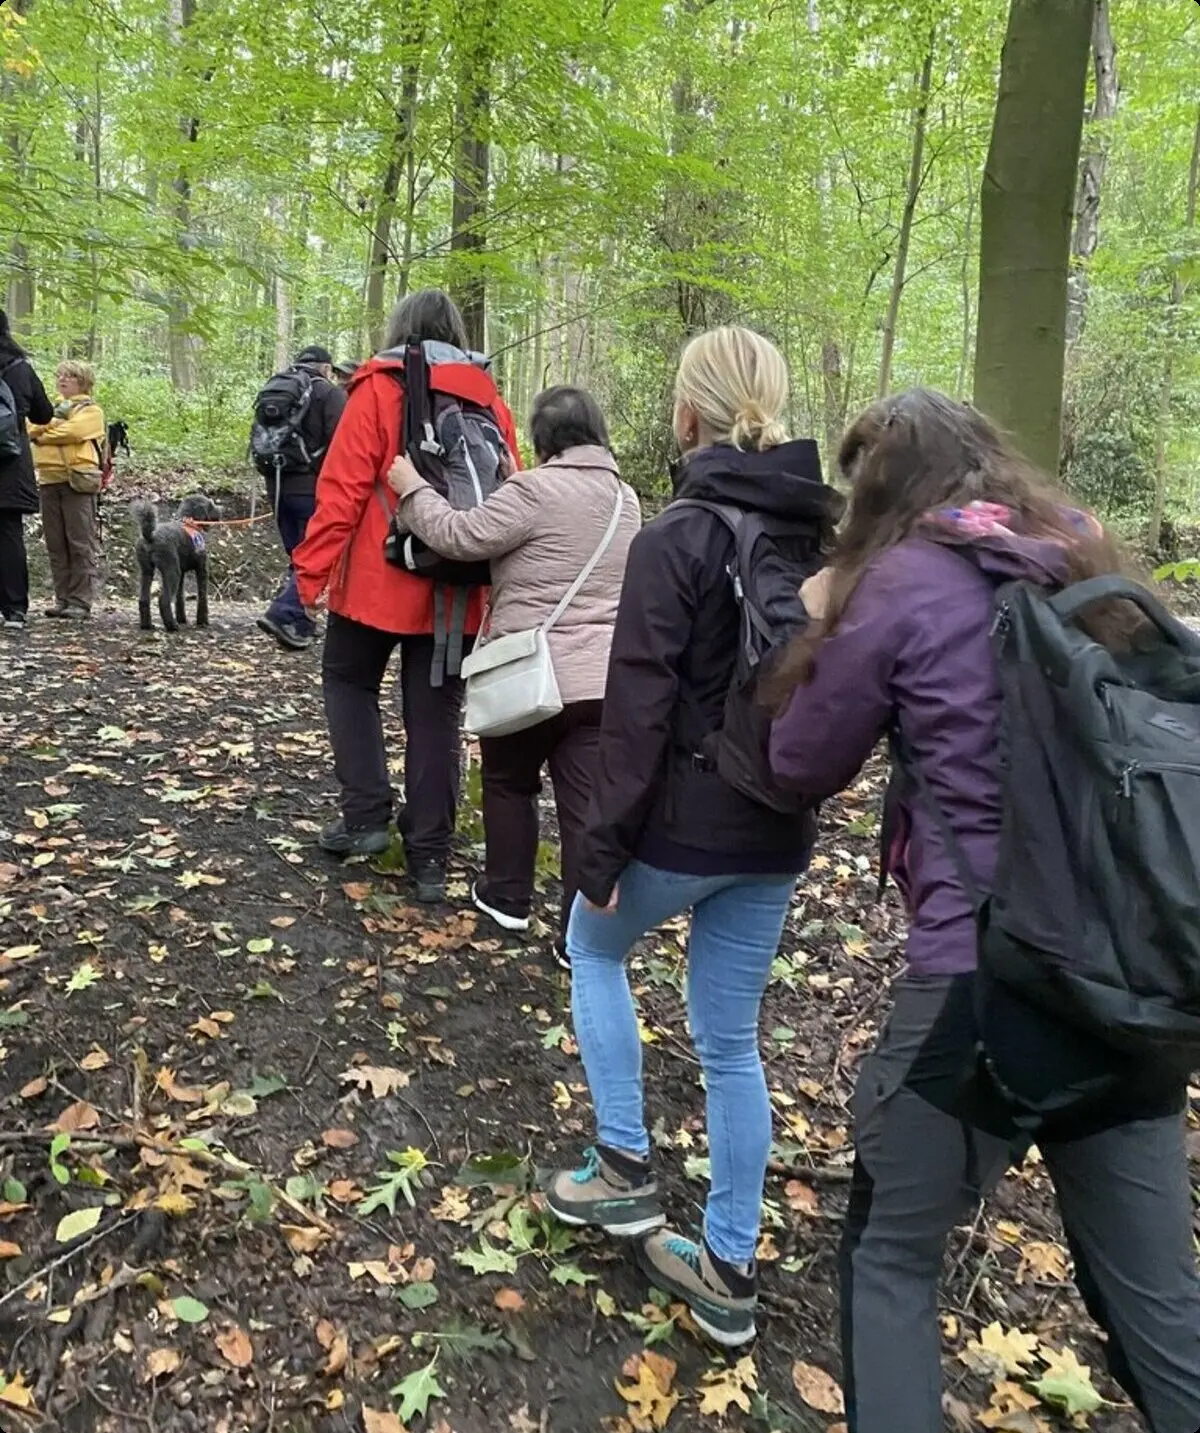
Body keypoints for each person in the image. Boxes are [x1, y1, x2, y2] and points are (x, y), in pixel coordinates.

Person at [767, 389, 1200, 1433]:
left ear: (880, 485)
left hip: (991, 984)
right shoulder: (1080, 547)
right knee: (1160, 1309)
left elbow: (797, 763)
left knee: (890, 1255)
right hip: (1137, 977)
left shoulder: (903, 581)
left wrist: (821, 617)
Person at [543, 327, 839, 1347]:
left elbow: (636, 715)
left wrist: (599, 852)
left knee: (591, 946)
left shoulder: (674, 538)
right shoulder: (823, 544)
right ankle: (727, 1265)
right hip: (776, 828)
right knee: (729, 1045)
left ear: (685, 416)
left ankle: (623, 1165)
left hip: (679, 825)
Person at [388, 385, 641, 964]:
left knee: (508, 781)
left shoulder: (532, 490)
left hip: (531, 671)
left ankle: (507, 896)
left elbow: (459, 534)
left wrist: (412, 491)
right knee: (582, 809)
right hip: (601, 682)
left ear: (542, 439)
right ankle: (579, 940)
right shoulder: (626, 498)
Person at [293, 289, 520, 905]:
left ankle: (366, 818)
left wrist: (305, 580)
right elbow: (510, 495)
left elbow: (340, 493)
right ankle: (429, 861)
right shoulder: (487, 400)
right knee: (435, 715)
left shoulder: (376, 388)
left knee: (348, 681)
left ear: (399, 330)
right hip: (456, 583)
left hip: (377, 580)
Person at [256, 344, 347, 651]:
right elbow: (344, 442)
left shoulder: (276, 388)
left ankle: (302, 624)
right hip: (310, 487)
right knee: (315, 556)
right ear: (325, 367)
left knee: (298, 555)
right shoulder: (328, 394)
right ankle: (285, 612)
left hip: (276, 483)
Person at [29, 359, 105, 619]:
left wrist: (44, 431)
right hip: (49, 480)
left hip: (78, 480)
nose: (62, 380)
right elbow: (29, 429)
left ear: (82, 381)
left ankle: (80, 601)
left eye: (69, 376)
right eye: (60, 375)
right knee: (55, 543)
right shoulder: (48, 408)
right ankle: (62, 599)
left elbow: (74, 432)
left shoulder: (91, 410)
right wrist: (46, 428)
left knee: (79, 542)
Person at [0, 310, 53, 629]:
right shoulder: (21, 368)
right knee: (9, 534)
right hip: (10, 462)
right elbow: (43, 415)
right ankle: (15, 609)